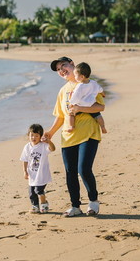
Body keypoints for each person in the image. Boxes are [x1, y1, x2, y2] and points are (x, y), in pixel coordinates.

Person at [45, 56, 105, 217]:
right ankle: (75, 206)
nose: (61, 70)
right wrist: (50, 133)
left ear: (72, 64)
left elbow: (100, 107)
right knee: (70, 172)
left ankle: (93, 201)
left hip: (88, 133)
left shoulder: (87, 84)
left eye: (63, 66)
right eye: (58, 70)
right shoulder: (62, 91)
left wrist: (80, 109)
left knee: (83, 169)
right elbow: (60, 116)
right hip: (68, 136)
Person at [20, 124, 56, 214]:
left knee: (38, 190)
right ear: (28, 135)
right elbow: (24, 160)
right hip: (32, 175)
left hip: (41, 174)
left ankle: (44, 204)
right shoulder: (27, 147)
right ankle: (35, 206)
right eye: (32, 135)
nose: (33, 137)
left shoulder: (43, 146)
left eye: (36, 136)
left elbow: (53, 149)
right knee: (32, 192)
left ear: (40, 136)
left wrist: (49, 142)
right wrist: (25, 171)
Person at [67, 62, 107, 134]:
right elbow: (100, 89)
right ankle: (103, 127)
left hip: (81, 105)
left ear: (82, 77)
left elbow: (76, 97)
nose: (75, 77)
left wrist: (71, 103)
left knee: (71, 113)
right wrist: (103, 94)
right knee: (98, 115)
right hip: (91, 105)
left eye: (75, 75)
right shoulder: (94, 83)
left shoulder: (80, 86)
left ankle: (72, 127)